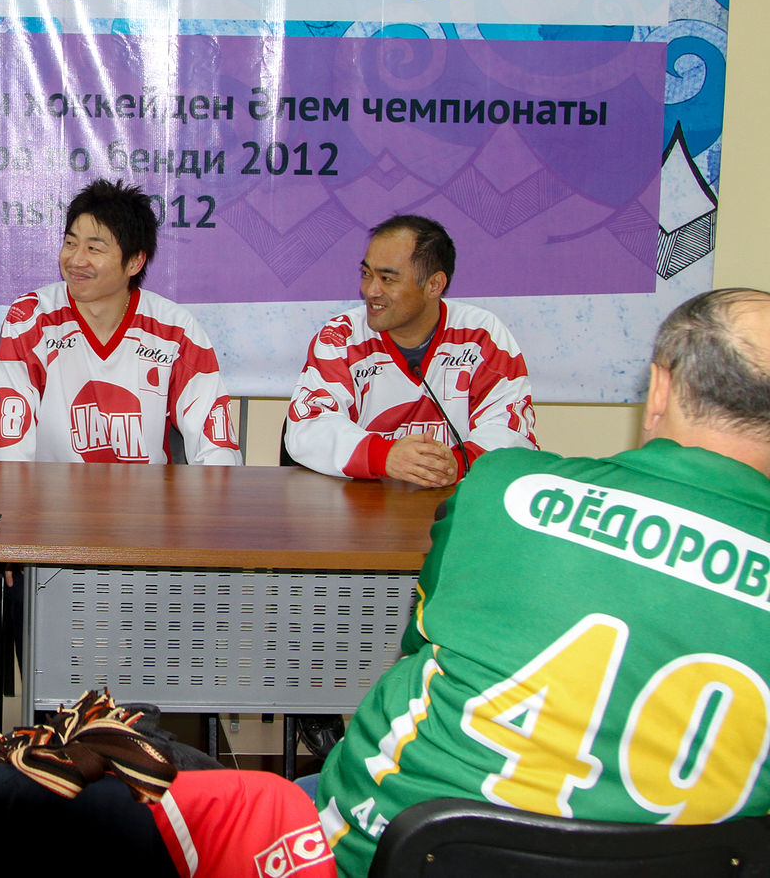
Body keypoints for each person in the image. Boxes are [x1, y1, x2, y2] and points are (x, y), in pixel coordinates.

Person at [314, 288, 770, 876]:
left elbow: (421, 642)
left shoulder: (505, 486)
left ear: (658, 388)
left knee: (260, 802)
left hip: (398, 848)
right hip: (676, 862)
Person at [0, 179, 242, 464]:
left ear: (134, 262)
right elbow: (11, 449)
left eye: (94, 249)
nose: (75, 260)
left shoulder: (175, 329)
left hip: (147, 492)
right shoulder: (32, 319)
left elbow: (216, 447)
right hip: (51, 492)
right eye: (70, 243)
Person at [285, 214, 535, 487]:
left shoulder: (481, 335)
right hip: (362, 503)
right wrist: (385, 456)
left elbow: (512, 431)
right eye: (367, 274)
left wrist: (457, 463)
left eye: (387, 279)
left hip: (454, 501)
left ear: (434, 285)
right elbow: (307, 428)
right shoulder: (342, 337)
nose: (371, 290)